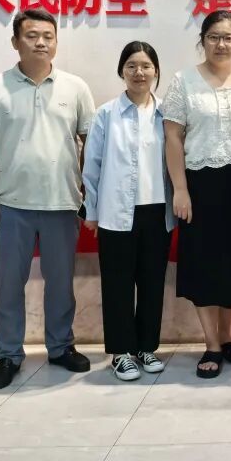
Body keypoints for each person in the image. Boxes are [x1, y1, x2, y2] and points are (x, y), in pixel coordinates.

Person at [0, 9, 96, 390]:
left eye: (48, 36)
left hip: (62, 204)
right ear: (15, 42)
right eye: (31, 35)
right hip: (11, 205)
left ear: (55, 42)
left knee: (61, 283)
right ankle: (8, 353)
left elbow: (90, 143)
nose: (41, 42)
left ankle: (61, 346)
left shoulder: (75, 88)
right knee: (9, 285)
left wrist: (86, 193)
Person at [160, 11, 231, 378]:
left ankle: (228, 336)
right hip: (200, 185)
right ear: (202, 40)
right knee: (204, 262)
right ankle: (211, 343)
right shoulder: (184, 81)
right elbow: (172, 137)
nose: (221, 44)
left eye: (228, 37)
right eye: (213, 37)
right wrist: (180, 189)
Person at [82, 41, 175, 382]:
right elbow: (91, 166)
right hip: (116, 212)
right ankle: (121, 353)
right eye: (132, 66)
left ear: (156, 72)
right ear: (122, 71)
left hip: (158, 211)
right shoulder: (106, 114)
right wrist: (92, 211)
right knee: (118, 284)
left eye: (146, 66)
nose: (139, 72)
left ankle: (146, 347)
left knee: (152, 283)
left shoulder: (167, 115)